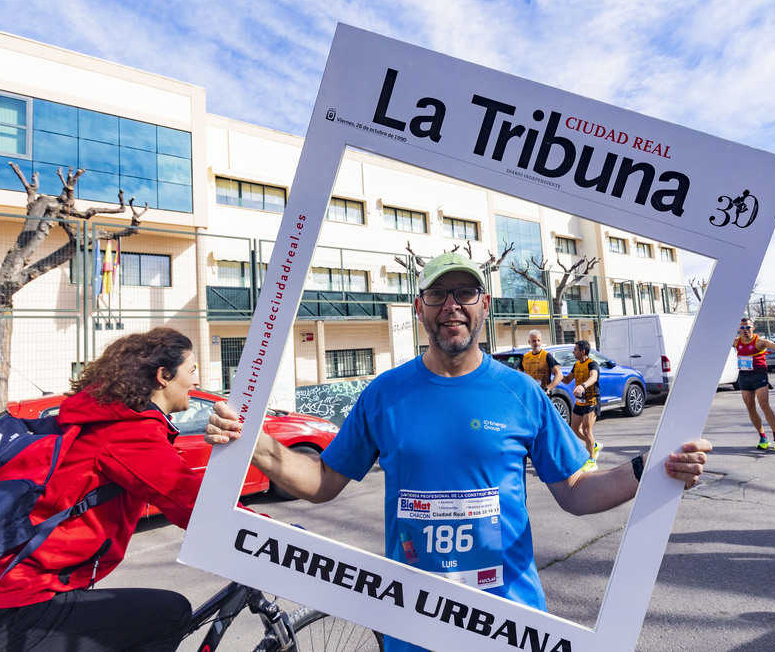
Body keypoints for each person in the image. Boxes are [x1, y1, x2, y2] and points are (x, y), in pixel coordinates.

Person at [205, 252, 711, 652]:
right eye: (439, 294)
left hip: (509, 620)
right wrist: (254, 442)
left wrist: (652, 468)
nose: (452, 305)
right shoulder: (385, 394)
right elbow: (321, 482)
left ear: (484, 305)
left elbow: (577, 492)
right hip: (413, 619)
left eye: (464, 293)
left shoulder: (521, 393)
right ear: (421, 307)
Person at [0, 327, 205, 651]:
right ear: (163, 376)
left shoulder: (102, 419)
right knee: (170, 614)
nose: (197, 381)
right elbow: (197, 506)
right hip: (3, 600)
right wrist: (274, 539)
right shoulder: (130, 432)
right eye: (192, 370)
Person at [732, 318, 775, 450]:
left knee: (764, 404)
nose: (745, 330)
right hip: (744, 376)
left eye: (747, 327)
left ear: (752, 328)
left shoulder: (760, 342)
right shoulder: (736, 341)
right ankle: (762, 437)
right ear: (739, 329)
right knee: (750, 406)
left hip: (759, 376)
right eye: (742, 328)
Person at [561, 339, 601, 471]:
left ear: (583, 351)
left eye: (575, 349)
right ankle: (593, 445)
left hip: (592, 401)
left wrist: (583, 386)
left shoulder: (592, 364)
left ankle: (591, 459)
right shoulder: (577, 365)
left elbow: (593, 378)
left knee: (586, 430)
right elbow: (567, 380)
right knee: (574, 428)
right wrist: (556, 372)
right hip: (580, 402)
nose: (573, 351)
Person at [517, 329, 564, 396]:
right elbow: (518, 375)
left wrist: (547, 389)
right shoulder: (525, 357)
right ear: (529, 342)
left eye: (538, 340)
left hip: (543, 395)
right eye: (534, 341)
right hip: (530, 394)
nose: (537, 343)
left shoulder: (547, 355)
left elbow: (559, 375)